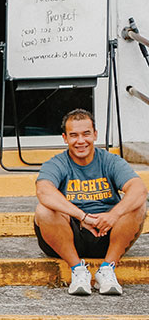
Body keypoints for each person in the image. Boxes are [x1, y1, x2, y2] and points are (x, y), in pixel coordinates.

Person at [34, 109, 147, 296]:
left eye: (86, 134)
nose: (81, 141)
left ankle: (107, 269)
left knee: (138, 205)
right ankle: (78, 270)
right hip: (69, 233)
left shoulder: (110, 161)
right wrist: (82, 216)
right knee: (44, 210)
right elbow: (43, 191)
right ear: (65, 138)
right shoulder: (57, 163)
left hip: (108, 232)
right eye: (74, 135)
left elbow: (139, 189)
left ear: (95, 134)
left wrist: (113, 215)